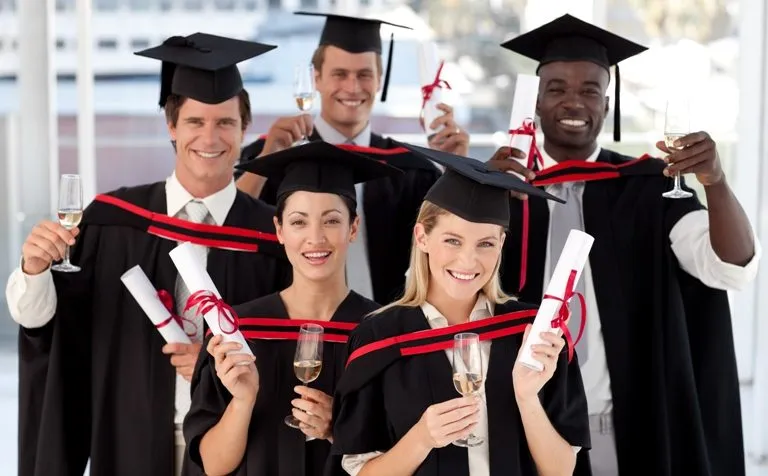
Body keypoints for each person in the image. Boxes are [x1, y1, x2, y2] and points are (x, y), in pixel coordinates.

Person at [5, 33, 293, 476]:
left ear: (243, 128)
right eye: (195, 122)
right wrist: (35, 270)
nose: (210, 137)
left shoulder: (275, 236)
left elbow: (295, 348)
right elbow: (47, 325)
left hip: (238, 452)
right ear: (172, 126)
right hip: (130, 442)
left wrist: (215, 368)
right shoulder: (112, 221)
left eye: (225, 123)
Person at [492, 14, 762, 476]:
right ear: (536, 101)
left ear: (607, 102)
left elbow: (729, 267)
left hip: (619, 424)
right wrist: (477, 196)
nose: (573, 101)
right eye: (556, 88)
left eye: (590, 90)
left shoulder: (647, 188)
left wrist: (714, 183)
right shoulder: (501, 189)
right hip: (516, 420)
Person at [328, 144, 590, 476]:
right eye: (452, 240)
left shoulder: (533, 332)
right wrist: (422, 438)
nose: (468, 261)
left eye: (486, 244)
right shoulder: (378, 336)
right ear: (422, 237)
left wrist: (526, 396)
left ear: (501, 245)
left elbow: (561, 470)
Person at [182, 141, 400, 476]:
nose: (315, 238)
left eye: (331, 221)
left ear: (352, 228)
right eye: (299, 222)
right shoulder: (237, 330)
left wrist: (337, 430)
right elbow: (212, 466)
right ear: (279, 230)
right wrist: (243, 400)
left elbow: (404, 456)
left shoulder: (386, 333)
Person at [235, 11, 470, 304]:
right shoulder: (274, 157)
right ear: (316, 78)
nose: (352, 87)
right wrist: (265, 161)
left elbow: (450, 248)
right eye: (339, 74)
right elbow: (232, 233)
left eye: (364, 75)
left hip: (385, 330)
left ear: (380, 80)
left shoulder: (410, 168)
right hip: (293, 332)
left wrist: (457, 170)